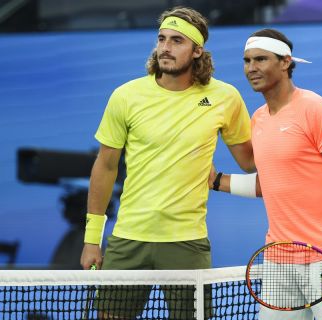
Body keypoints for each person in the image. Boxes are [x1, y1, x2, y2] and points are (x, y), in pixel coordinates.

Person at [80, 6, 255, 319]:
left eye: (177, 41)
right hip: (129, 237)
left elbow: (251, 161)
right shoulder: (126, 96)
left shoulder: (225, 98)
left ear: (197, 51)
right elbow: (105, 167)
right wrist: (92, 239)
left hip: (187, 241)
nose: (165, 47)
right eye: (161, 39)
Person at [210, 28, 322, 320]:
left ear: (285, 62)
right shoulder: (259, 118)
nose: (252, 68)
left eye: (261, 59)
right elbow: (272, 183)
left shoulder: (317, 109)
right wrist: (215, 181)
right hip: (278, 261)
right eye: (247, 60)